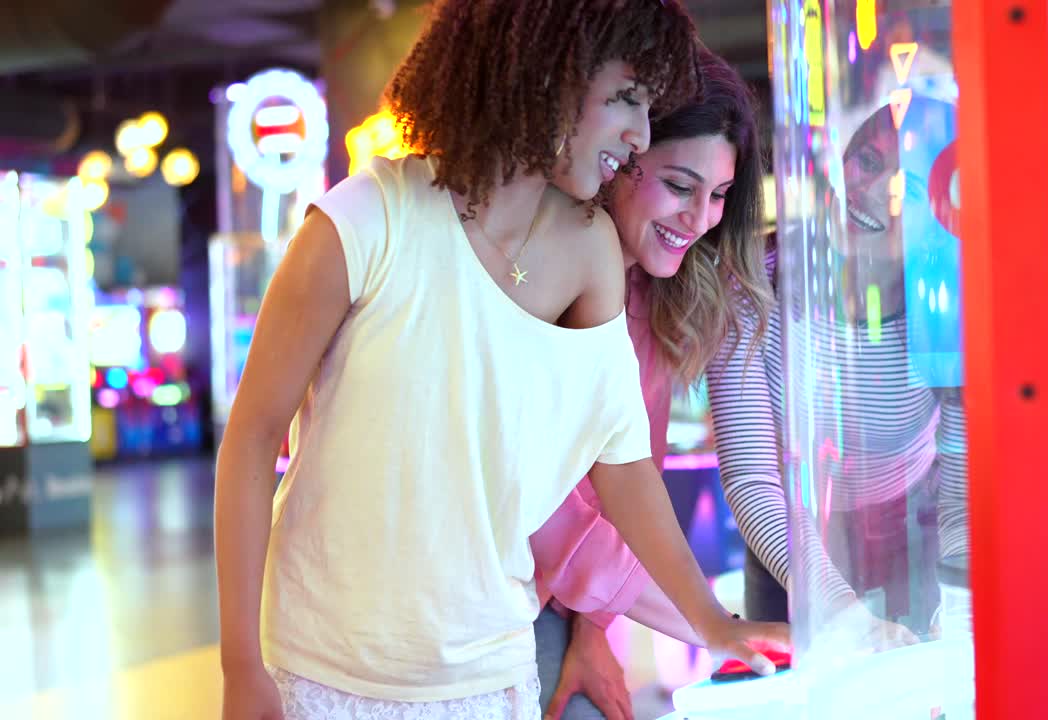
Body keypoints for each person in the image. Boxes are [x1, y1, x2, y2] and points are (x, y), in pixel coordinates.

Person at [213, 3, 787, 720]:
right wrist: (240, 665)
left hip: (490, 674)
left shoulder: (590, 254)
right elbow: (250, 440)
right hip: (326, 671)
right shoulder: (363, 222)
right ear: (552, 73)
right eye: (627, 100)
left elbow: (623, 465)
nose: (639, 135)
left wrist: (713, 623)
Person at [524, 48, 773, 720]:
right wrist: (710, 623)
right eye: (681, 185)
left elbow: (631, 483)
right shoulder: (546, 260)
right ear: (621, 155)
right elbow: (535, 501)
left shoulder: (658, 295)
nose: (701, 220)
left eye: (720, 195)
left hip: (558, 598)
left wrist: (594, 629)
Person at [704, 102, 969, 631]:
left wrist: (962, 589)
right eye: (867, 162)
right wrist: (844, 617)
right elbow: (754, 478)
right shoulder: (748, 281)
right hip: (786, 532)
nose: (873, 192)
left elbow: (963, 481)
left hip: (914, 528)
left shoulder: (950, 300)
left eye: (906, 183)